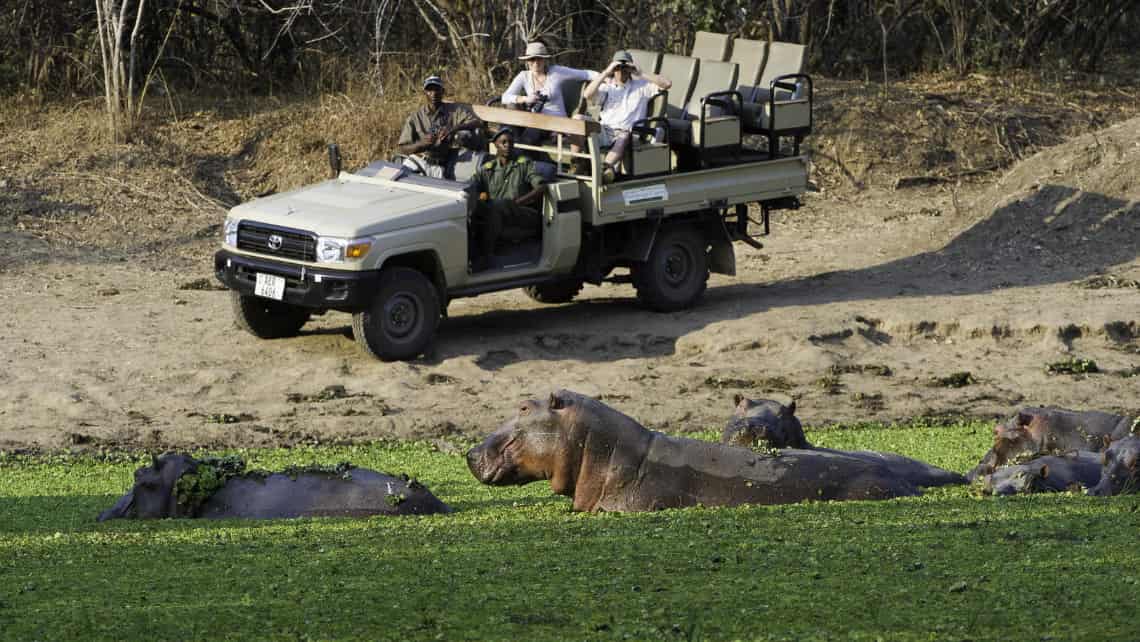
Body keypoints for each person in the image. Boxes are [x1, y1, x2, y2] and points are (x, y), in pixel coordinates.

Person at [575, 49, 671, 182]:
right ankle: (576, 161)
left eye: (625, 67)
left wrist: (641, 73)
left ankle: (604, 169)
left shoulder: (642, 87)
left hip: (627, 133)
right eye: (618, 68)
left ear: (631, 68)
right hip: (605, 130)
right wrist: (606, 72)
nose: (621, 71)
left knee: (625, 134)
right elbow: (587, 95)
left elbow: (667, 84)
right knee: (578, 119)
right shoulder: (607, 87)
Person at [467, 128, 546, 272]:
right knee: (477, 207)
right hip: (497, 213)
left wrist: (515, 203)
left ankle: (487, 257)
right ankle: (470, 255)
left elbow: (541, 188)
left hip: (523, 212)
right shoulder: (488, 169)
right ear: (496, 145)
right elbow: (470, 186)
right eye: (503, 142)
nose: (507, 145)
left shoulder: (524, 164)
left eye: (510, 142)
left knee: (498, 205)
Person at [500, 41, 598, 145]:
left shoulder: (556, 72)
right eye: (532, 59)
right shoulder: (524, 76)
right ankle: (512, 151)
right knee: (510, 115)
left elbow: (585, 74)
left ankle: (521, 153)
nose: (536, 63)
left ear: (545, 60)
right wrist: (525, 99)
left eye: (539, 58)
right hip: (534, 121)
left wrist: (606, 77)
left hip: (557, 123)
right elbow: (505, 97)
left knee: (530, 136)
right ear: (527, 61)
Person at [397, 74, 483, 180]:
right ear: (425, 93)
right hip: (417, 161)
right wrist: (421, 144)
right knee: (401, 183)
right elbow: (402, 148)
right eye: (429, 90)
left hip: (438, 165)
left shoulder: (453, 111)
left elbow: (476, 122)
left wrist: (453, 129)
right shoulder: (416, 117)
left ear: (443, 92)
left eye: (437, 89)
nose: (433, 94)